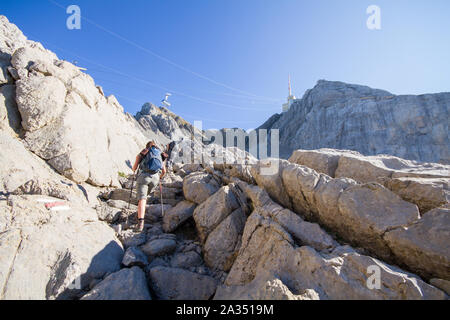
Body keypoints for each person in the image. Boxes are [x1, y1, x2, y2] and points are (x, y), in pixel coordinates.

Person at [132, 140, 167, 232]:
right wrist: (159, 177)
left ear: (147, 146)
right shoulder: (160, 154)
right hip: (155, 179)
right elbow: (164, 171)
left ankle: (140, 223)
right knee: (144, 197)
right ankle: (141, 212)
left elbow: (134, 168)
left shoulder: (144, 152)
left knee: (142, 199)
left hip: (144, 177)